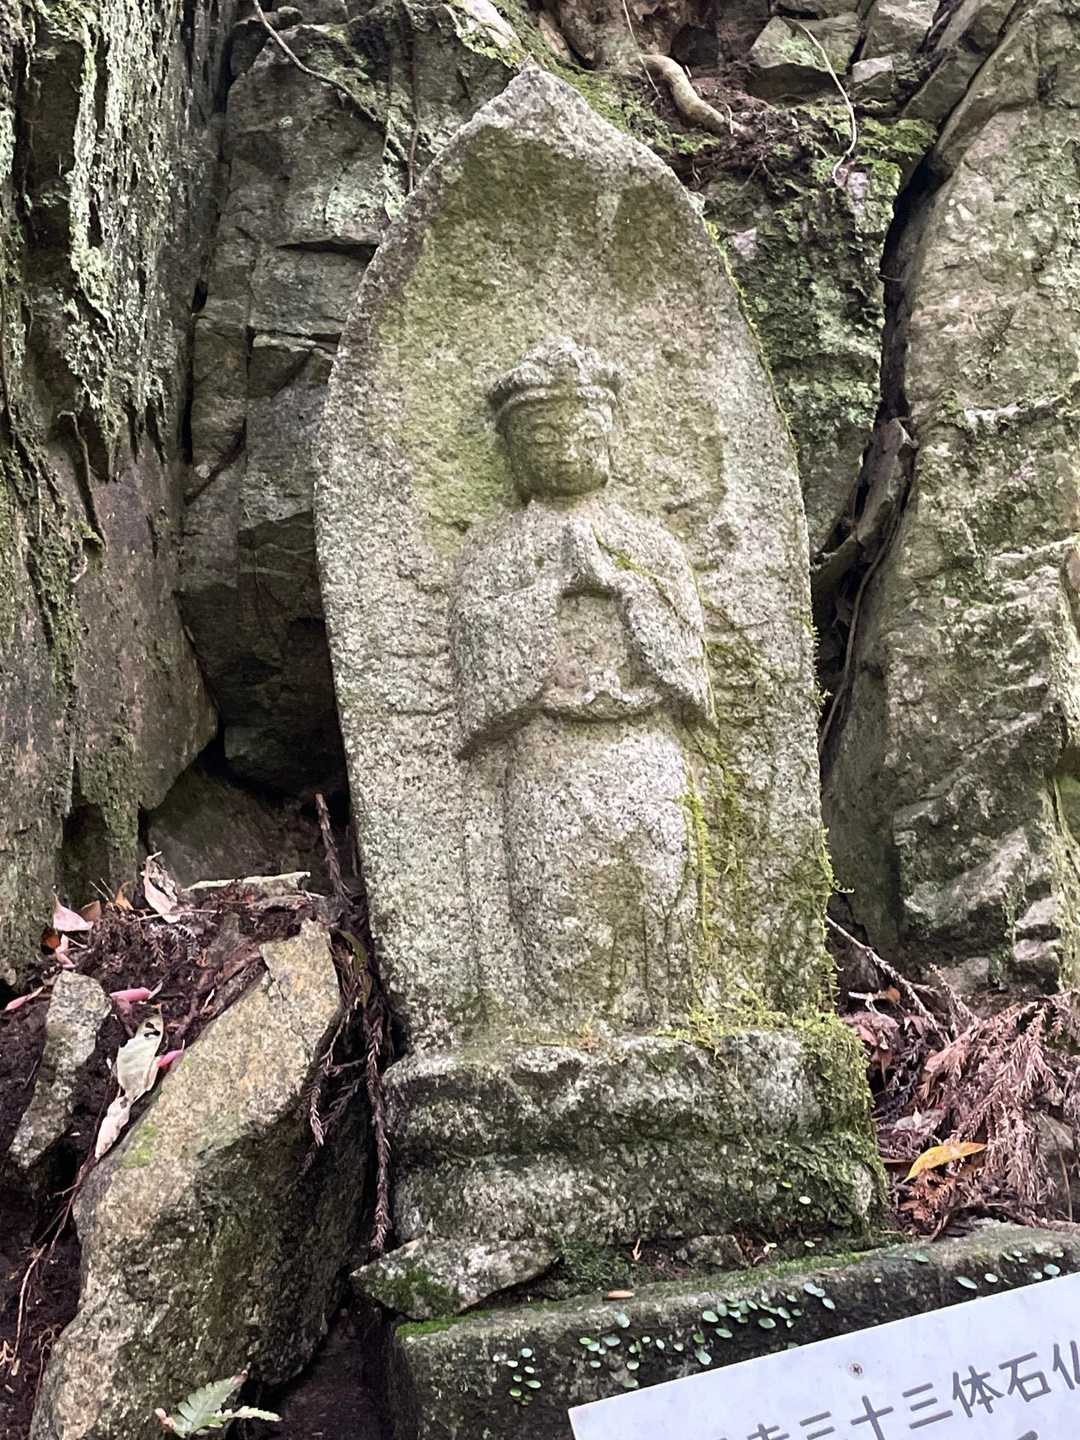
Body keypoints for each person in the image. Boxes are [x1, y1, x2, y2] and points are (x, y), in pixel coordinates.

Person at [449, 337, 714, 1028]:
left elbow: (691, 668)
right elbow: (479, 664)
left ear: (612, 439)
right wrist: (549, 591)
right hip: (547, 755)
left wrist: (625, 588)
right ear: (512, 450)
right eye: (543, 437)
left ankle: (677, 1026)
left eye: (585, 434)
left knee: (663, 900)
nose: (566, 450)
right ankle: (563, 1033)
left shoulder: (652, 546)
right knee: (560, 914)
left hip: (645, 749)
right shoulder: (495, 553)